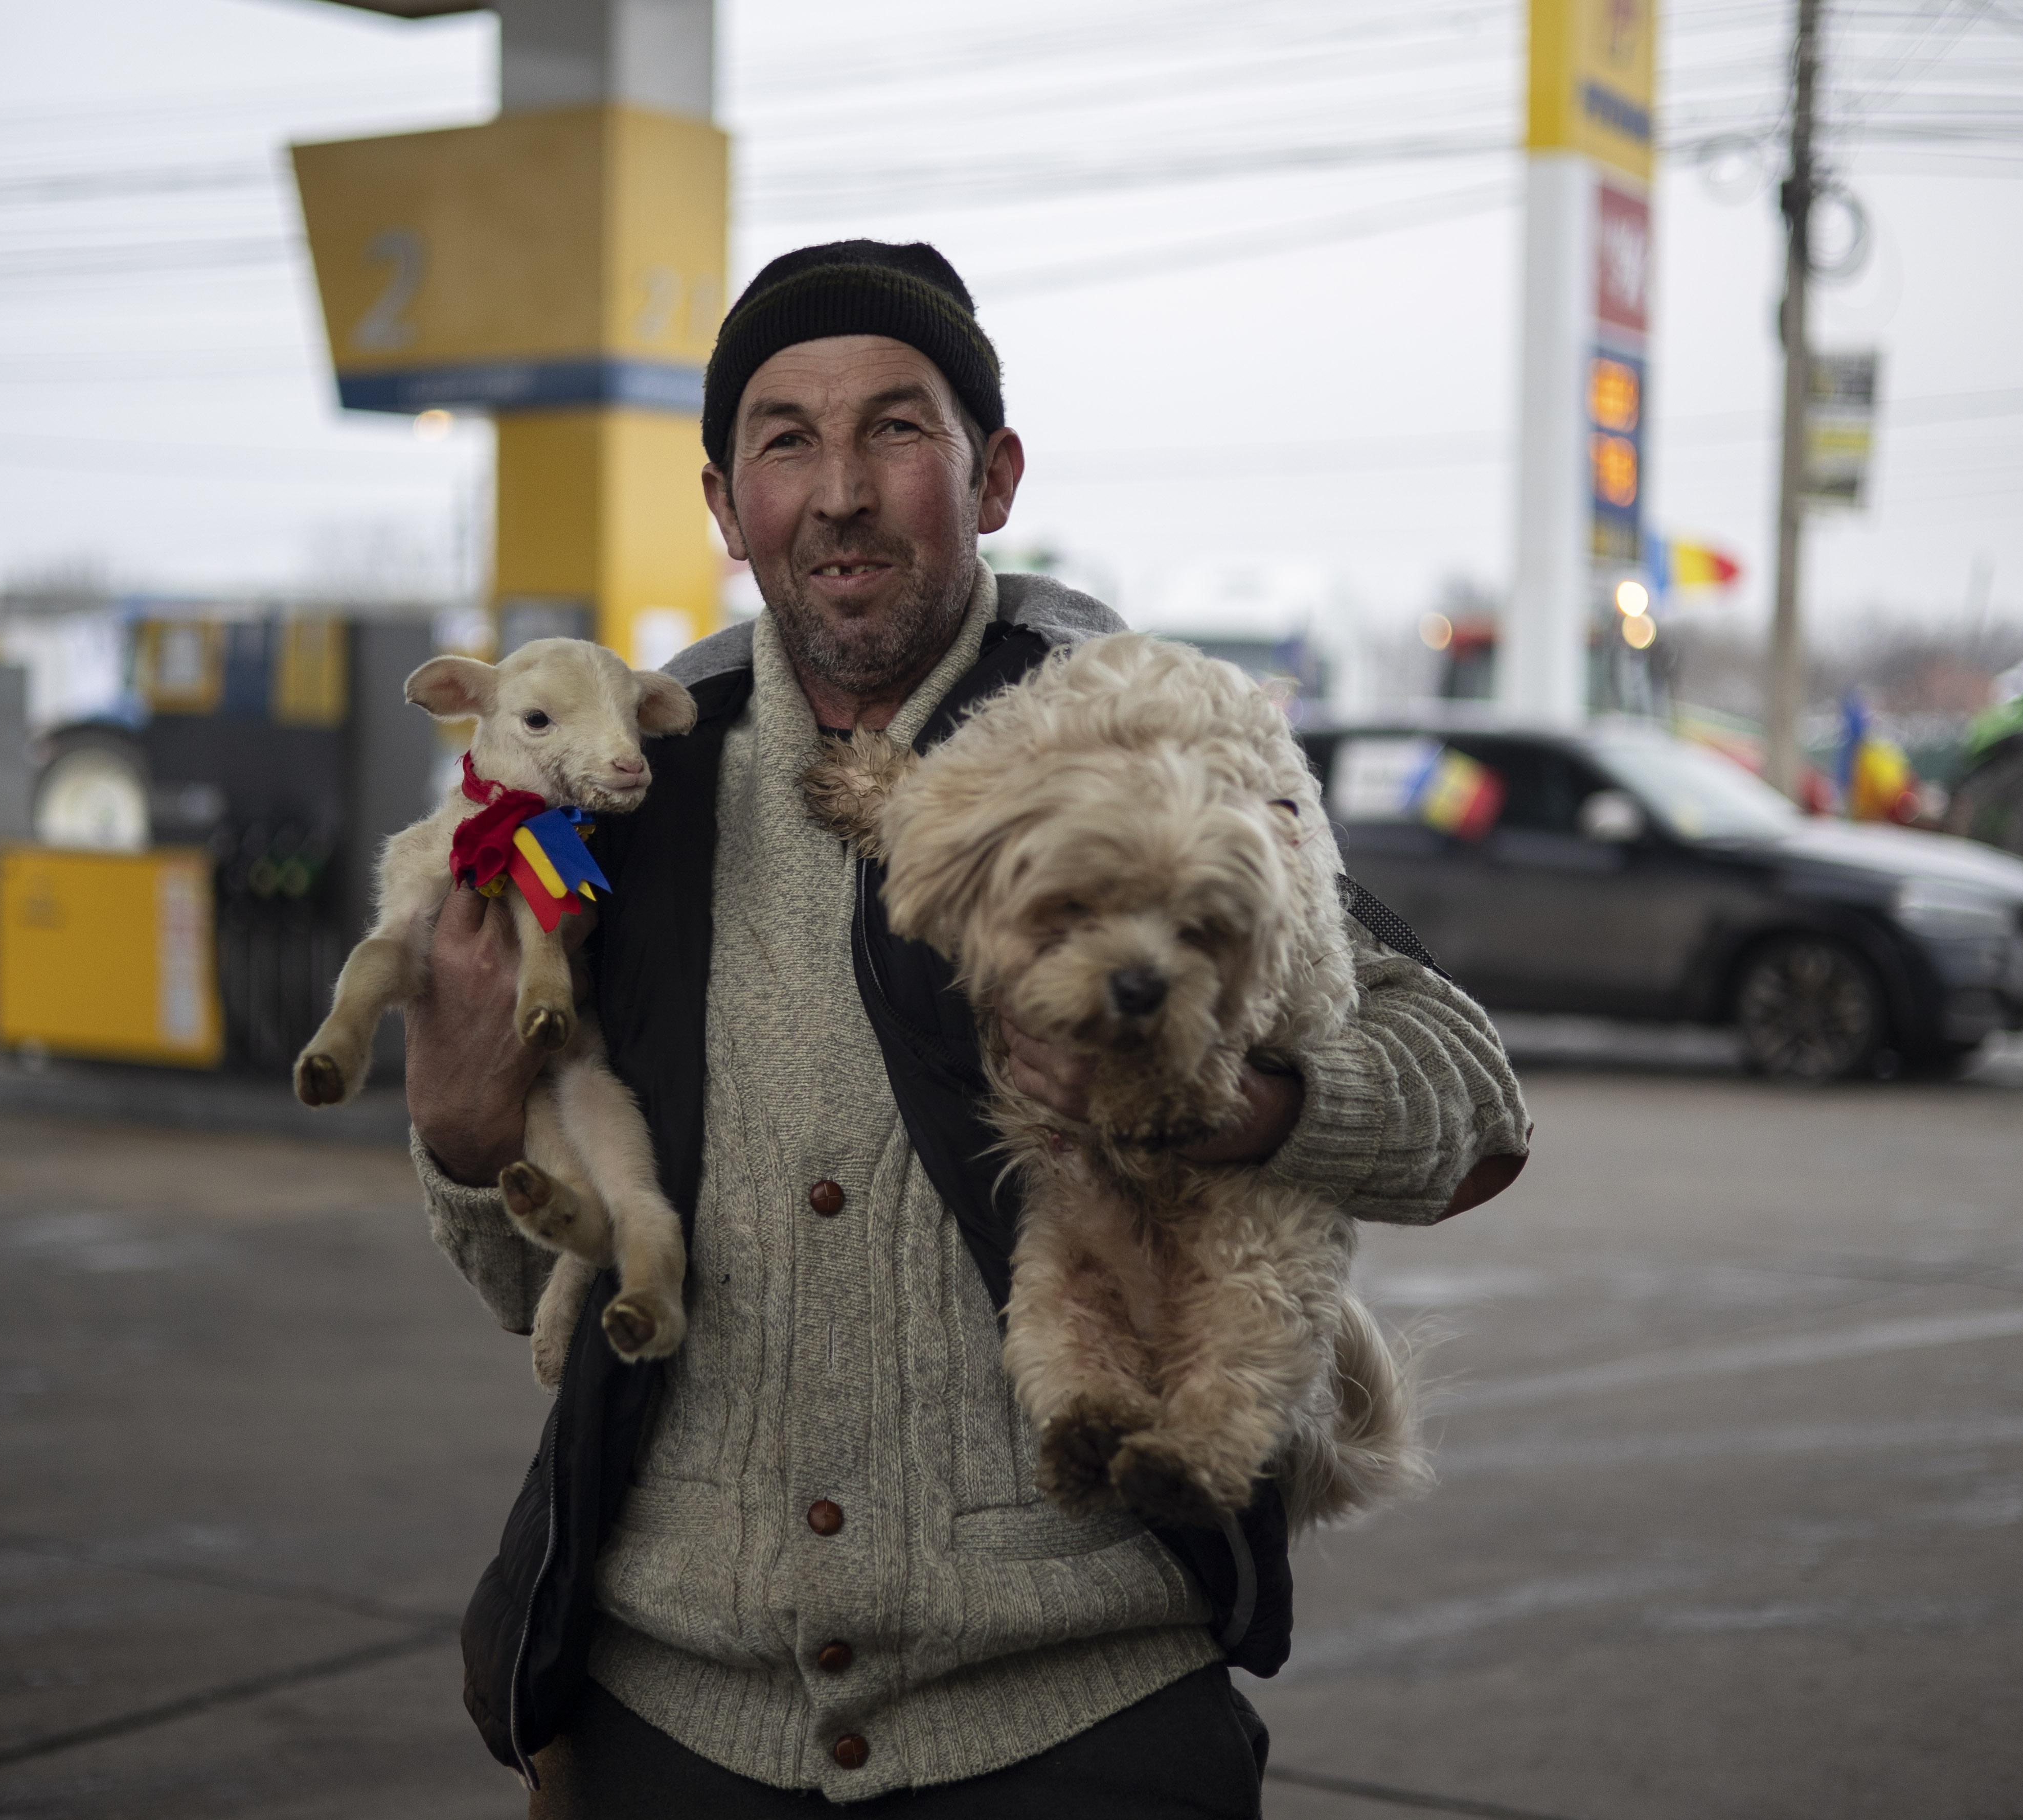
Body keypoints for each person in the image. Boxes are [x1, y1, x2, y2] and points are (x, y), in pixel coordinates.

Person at [404, 240, 1530, 1816]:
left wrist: (1230, 1104)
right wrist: (464, 1143)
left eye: (897, 429)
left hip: (1080, 1732)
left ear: (993, 476)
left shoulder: (1140, 730)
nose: (841, 490)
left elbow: (1474, 1102)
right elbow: (555, 1279)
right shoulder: (628, 791)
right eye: (785, 440)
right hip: (669, 1725)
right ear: (726, 509)